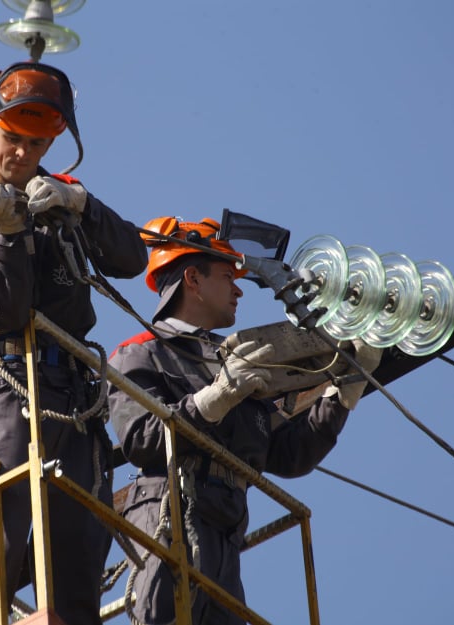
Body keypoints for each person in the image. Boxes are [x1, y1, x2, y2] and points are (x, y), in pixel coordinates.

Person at [0, 61, 148, 625]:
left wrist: (82, 207)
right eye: (13, 139)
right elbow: (3, 308)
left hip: (77, 394)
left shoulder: (62, 193)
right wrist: (7, 232)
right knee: (1, 531)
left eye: (36, 143)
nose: (24, 154)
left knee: (80, 538)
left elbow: (132, 259)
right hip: (11, 385)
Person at [108, 216, 382, 624]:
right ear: (192, 279)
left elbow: (289, 454)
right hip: (169, 511)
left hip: (225, 524)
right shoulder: (140, 353)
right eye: (226, 275)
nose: (238, 288)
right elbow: (143, 440)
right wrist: (214, 399)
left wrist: (344, 392)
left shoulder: (241, 361)